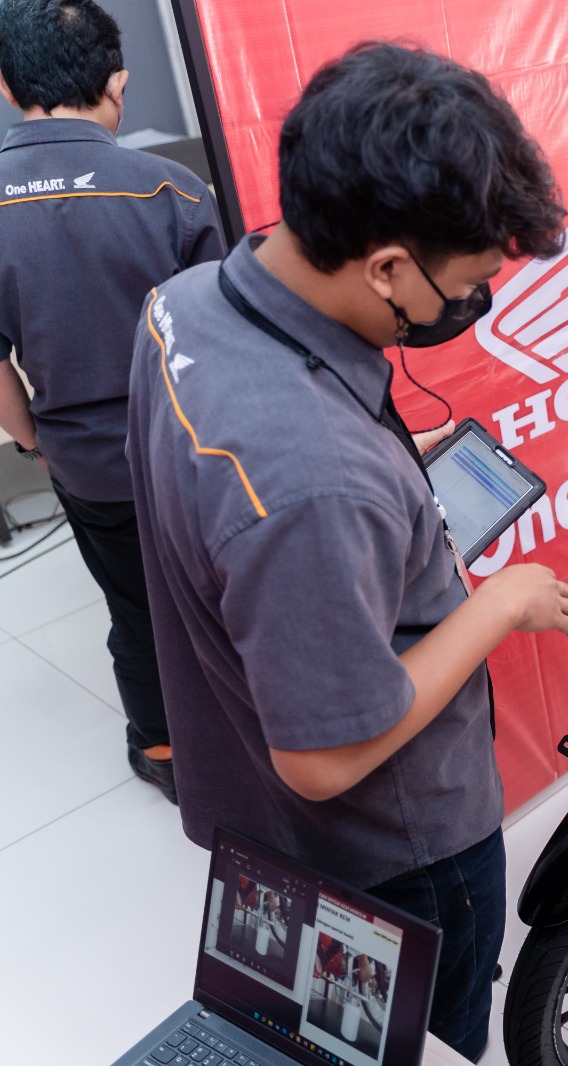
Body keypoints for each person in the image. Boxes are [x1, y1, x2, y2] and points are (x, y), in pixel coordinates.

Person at [123, 43, 568, 1061]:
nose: (472, 306)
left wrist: (383, 481)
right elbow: (324, 759)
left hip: (255, 810)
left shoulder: (184, 303)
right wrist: (498, 605)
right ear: (386, 268)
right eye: (468, 284)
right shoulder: (313, 485)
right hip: (397, 858)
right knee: (416, 1047)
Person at [0, 0, 225, 804]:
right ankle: (242, 738)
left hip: (86, 464)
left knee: (134, 609)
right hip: (191, 452)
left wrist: (34, 439)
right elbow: (224, 339)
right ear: (118, 84)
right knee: (218, 598)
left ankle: (162, 752)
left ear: (7, 86)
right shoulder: (175, 189)